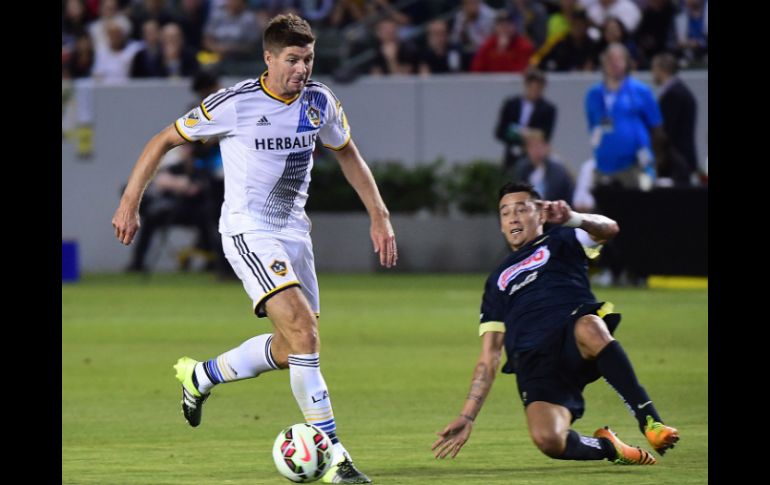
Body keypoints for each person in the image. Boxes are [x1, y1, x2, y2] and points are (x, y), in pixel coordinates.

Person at [112, 13, 397, 484]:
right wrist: (130, 202)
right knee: (305, 333)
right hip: (248, 230)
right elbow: (164, 139)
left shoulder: (320, 101)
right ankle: (334, 457)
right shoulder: (236, 103)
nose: (302, 68)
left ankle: (201, 376)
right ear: (268, 58)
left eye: (307, 58)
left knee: (291, 349)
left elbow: (346, 152)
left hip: (294, 235)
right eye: (292, 59)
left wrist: (380, 214)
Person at [432, 181, 679, 465]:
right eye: (505, 212)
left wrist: (574, 218)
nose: (512, 217)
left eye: (521, 209)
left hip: (571, 336)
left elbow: (609, 228)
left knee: (590, 325)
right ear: (500, 224)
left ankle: (650, 421)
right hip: (534, 362)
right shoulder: (496, 281)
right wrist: (467, 416)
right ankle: (610, 448)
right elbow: (489, 356)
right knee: (548, 439)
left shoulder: (563, 239)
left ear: (540, 214)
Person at [585, 43, 663, 190]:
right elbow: (592, 126)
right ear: (603, 62)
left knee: (641, 208)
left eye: (619, 59)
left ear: (627, 62)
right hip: (604, 165)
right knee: (605, 211)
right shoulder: (593, 95)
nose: (614, 63)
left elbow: (656, 128)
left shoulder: (641, 91)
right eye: (610, 59)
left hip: (636, 165)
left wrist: (653, 161)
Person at [495, 67, 556, 175]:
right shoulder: (511, 104)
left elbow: (545, 135)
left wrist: (528, 135)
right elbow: (500, 131)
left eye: (538, 88)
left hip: (534, 158)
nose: (535, 91)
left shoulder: (548, 109)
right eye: (532, 87)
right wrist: (520, 135)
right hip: (511, 156)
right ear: (526, 86)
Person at [651, 52, 699, 186]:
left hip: (677, 162)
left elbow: (666, 130)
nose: (652, 73)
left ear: (662, 70)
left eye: (654, 68)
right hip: (680, 160)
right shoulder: (678, 91)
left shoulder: (674, 94)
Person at [513, 129, 574, 203]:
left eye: (539, 146)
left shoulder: (557, 170)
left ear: (546, 147)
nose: (536, 150)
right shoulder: (522, 168)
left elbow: (554, 195)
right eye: (532, 147)